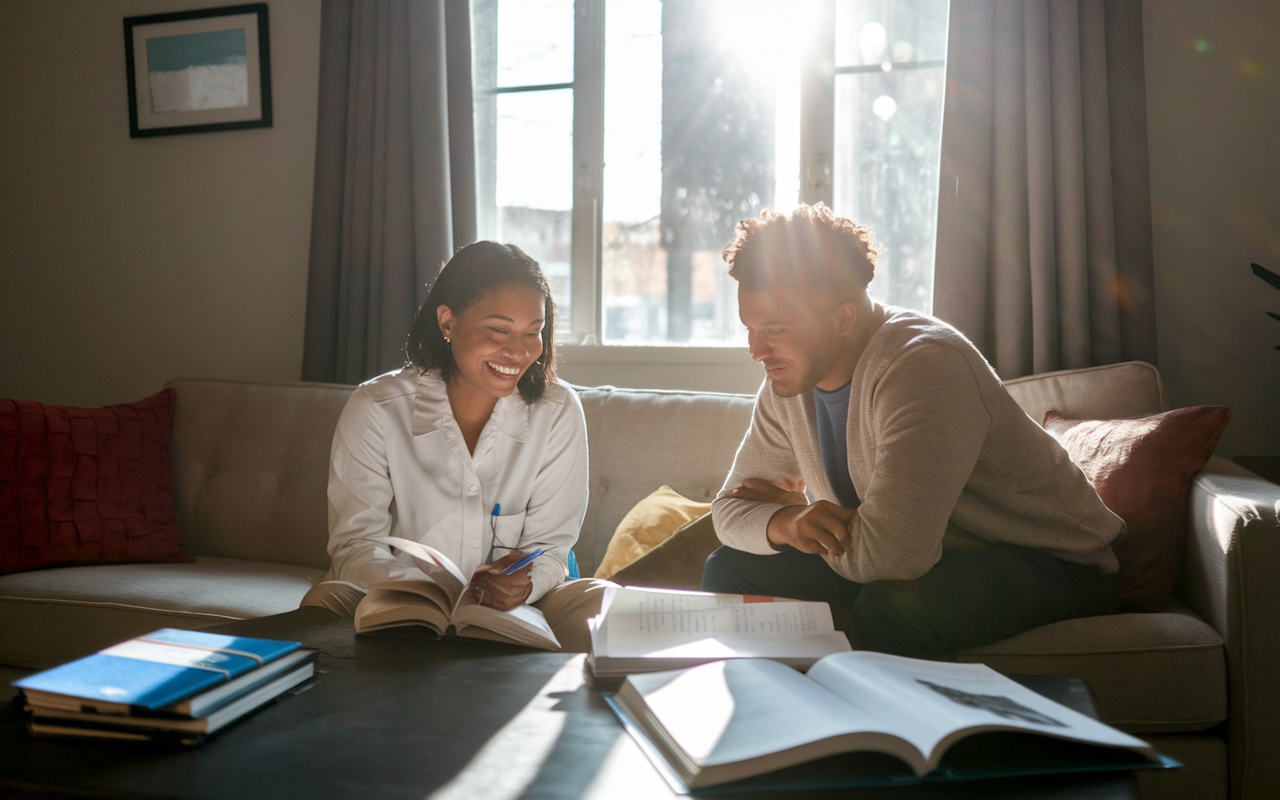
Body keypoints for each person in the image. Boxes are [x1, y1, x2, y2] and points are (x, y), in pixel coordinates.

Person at [702, 204, 1125, 659]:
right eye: (749, 328)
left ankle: (909, 730)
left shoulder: (925, 365)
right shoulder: (790, 382)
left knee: (891, 606)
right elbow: (727, 513)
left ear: (843, 319)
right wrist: (787, 522)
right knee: (732, 568)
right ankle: (784, 717)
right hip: (931, 557)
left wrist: (798, 527)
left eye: (774, 329)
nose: (756, 351)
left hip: (1049, 561)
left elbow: (894, 559)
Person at [301, 241, 608, 652]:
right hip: (394, 599)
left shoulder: (558, 409)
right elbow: (355, 546)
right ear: (447, 322)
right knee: (325, 599)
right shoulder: (375, 408)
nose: (519, 351)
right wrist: (416, 591)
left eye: (533, 332)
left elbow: (550, 546)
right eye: (499, 330)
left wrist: (523, 583)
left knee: (600, 601)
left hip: (523, 606)